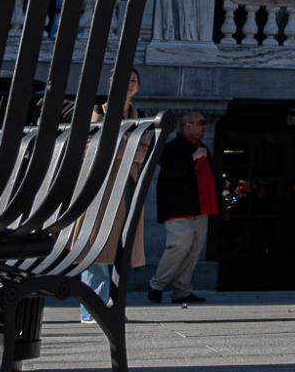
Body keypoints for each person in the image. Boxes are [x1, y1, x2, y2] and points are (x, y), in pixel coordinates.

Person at [78, 67, 145, 323]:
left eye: (133, 80)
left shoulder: (139, 116)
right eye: (123, 80)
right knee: (96, 247)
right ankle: (91, 310)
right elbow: (91, 147)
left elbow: (142, 153)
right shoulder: (99, 110)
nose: (129, 84)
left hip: (125, 186)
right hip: (98, 187)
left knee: (118, 249)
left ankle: (112, 308)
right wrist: (127, 147)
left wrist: (117, 147)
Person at [148, 111, 218, 306]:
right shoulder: (173, 147)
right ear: (187, 125)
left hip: (200, 209)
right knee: (178, 247)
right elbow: (169, 171)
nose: (204, 126)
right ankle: (157, 285)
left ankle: (182, 291)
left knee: (193, 250)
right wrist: (192, 158)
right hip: (179, 209)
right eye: (201, 123)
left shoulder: (201, 146)